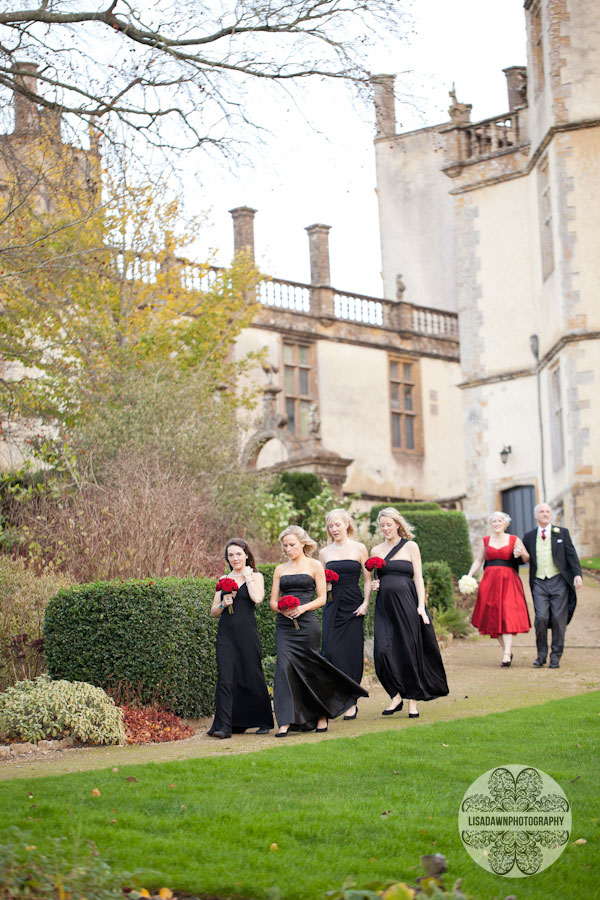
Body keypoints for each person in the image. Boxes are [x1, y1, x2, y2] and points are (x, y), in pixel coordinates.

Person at [270, 524, 368, 737]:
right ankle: (285, 720)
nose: (288, 549)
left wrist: (303, 608)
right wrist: (283, 610)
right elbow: (272, 602)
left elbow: (323, 599)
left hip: (308, 624)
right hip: (285, 626)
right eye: (285, 546)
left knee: (311, 669)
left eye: (292, 545)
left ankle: (321, 715)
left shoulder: (315, 565)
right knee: (284, 668)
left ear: (303, 543)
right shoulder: (280, 570)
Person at [371, 507, 448, 718]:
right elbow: (375, 578)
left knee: (408, 650)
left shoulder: (411, 546)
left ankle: (412, 701)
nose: (386, 529)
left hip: (407, 604)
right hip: (384, 607)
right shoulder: (376, 551)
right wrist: (376, 584)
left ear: (398, 524)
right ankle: (395, 694)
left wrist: (421, 607)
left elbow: (419, 578)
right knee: (383, 651)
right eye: (382, 526)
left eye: (389, 524)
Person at [207, 538, 274, 739]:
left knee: (252, 674)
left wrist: (248, 577)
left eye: (238, 554)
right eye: (230, 555)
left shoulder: (256, 576)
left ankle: (263, 720)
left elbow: (258, 599)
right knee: (225, 678)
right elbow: (213, 612)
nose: (234, 558)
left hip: (247, 633)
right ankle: (225, 725)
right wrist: (222, 605)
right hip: (226, 634)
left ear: (246, 555)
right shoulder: (223, 578)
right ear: (227, 558)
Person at [319, 508, 371, 720]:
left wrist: (366, 604)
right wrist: (326, 588)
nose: (334, 529)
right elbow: (320, 582)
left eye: (337, 525)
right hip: (332, 605)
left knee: (351, 652)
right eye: (330, 526)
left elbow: (367, 580)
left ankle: (351, 701)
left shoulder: (359, 548)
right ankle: (336, 696)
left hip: (353, 605)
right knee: (330, 651)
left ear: (347, 524)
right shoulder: (324, 553)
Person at [522, 503, 583, 669]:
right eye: (541, 511)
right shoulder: (529, 536)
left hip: (559, 581)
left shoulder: (562, 533)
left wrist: (577, 574)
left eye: (548, 511)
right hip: (539, 582)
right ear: (535, 515)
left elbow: (572, 556)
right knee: (541, 618)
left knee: (558, 619)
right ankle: (541, 655)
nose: (545, 514)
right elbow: (522, 559)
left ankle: (555, 656)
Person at [467, 511, 531, 667]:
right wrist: (469, 575)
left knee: (507, 613)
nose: (496, 523)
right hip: (489, 581)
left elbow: (527, 558)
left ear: (505, 523)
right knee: (493, 616)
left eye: (499, 521)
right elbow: (478, 560)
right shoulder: (486, 541)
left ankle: (507, 653)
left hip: (509, 580)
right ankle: (506, 651)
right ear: (491, 524)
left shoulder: (514, 539)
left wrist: (521, 552)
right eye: (494, 521)